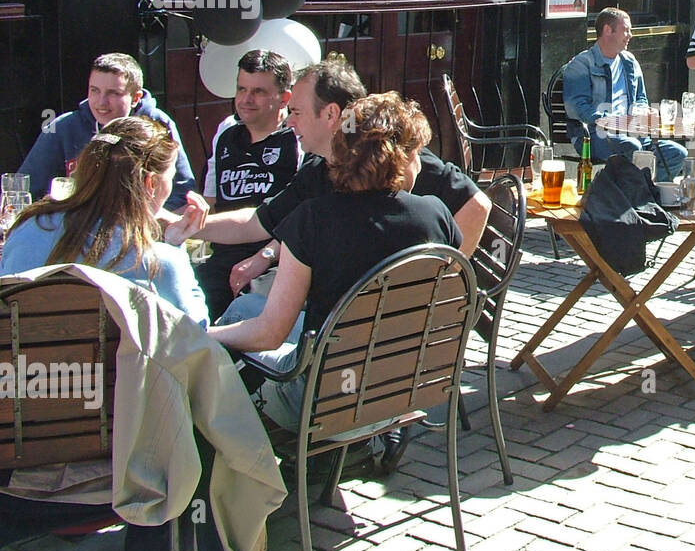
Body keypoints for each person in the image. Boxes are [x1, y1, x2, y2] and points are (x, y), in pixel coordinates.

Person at [208, 93, 461, 431]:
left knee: (223, 348)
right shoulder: (436, 215)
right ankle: (369, 443)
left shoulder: (312, 219)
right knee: (245, 310)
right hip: (408, 391)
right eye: (418, 155)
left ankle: (230, 458)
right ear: (403, 158)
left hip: (322, 403)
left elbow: (269, 334)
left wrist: (201, 336)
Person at [178, 55, 489, 285]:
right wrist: (189, 226)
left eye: (296, 111)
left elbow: (477, 204)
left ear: (330, 114)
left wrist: (440, 285)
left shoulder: (392, 153)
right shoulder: (317, 167)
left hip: (364, 342)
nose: (288, 121)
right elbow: (256, 222)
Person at [1, 116, 208, 326]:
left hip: (21, 358)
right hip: (109, 359)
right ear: (151, 183)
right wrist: (175, 247)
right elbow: (196, 332)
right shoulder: (156, 262)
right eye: (170, 178)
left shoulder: (28, 226)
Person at [196, 50, 301, 320]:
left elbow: (305, 218)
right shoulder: (226, 132)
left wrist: (263, 258)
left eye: (258, 91)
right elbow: (209, 201)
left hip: (276, 260)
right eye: (241, 89)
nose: (245, 99)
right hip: (223, 253)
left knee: (245, 315)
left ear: (284, 98)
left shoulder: (297, 140)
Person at [20, 52, 197, 212]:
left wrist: (149, 219)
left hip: (140, 232)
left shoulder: (159, 125)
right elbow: (25, 188)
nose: (101, 102)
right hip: (76, 233)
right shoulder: (62, 127)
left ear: (136, 98)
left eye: (113, 93)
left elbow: (183, 193)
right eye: (94, 91)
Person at [562, 8, 686, 182]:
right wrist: (614, 122)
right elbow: (577, 109)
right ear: (607, 30)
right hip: (594, 135)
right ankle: (633, 195)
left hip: (633, 133)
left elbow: (641, 99)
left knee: (676, 153)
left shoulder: (629, 62)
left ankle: (648, 195)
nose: (630, 35)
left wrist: (644, 113)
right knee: (632, 148)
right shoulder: (581, 65)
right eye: (626, 30)